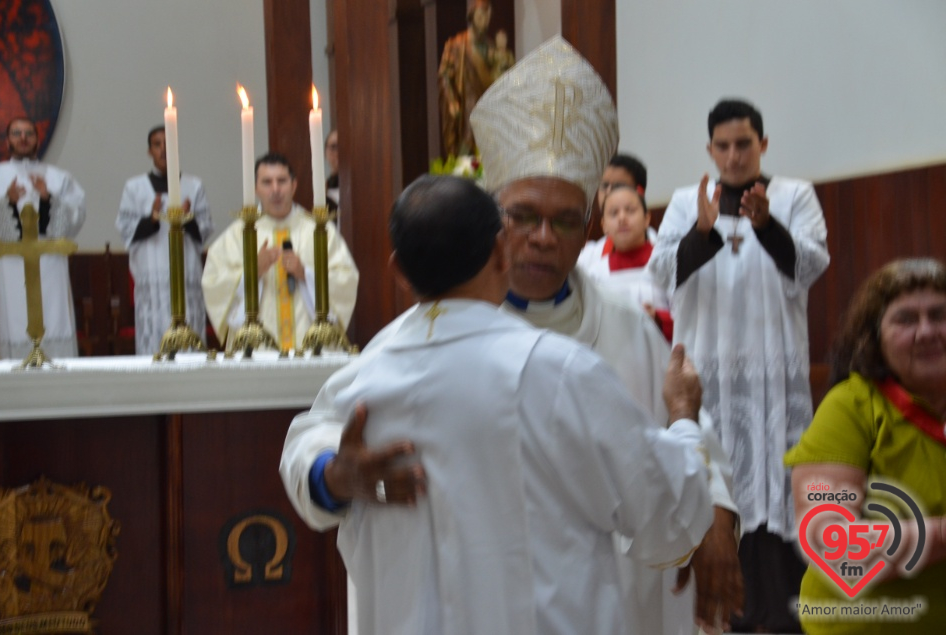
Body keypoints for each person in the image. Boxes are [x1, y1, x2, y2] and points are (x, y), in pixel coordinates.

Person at [283, 37, 742, 635]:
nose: (544, 237)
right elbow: (317, 436)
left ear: (588, 229)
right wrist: (331, 475)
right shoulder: (403, 345)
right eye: (524, 216)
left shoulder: (623, 323)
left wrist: (719, 522)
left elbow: (683, 444)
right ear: (495, 231)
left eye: (566, 220)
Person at [648, 98, 831, 633]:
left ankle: (782, 619)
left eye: (743, 144)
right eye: (722, 146)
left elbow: (810, 265)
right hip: (707, 383)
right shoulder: (687, 202)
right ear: (710, 150)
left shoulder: (794, 195)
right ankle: (717, 619)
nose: (733, 155)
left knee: (777, 499)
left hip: (774, 381)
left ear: (763, 145)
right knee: (712, 493)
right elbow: (663, 272)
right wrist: (702, 232)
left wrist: (767, 224)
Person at [785, 258, 946, 633]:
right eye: (906, 319)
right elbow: (834, 546)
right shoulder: (851, 406)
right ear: (872, 337)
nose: (928, 332)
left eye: (940, 315)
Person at [202, 152, 358, 351]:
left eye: (282, 181)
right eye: (267, 182)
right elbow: (214, 285)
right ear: (255, 188)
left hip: (311, 347)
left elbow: (345, 279)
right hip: (258, 350)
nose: (275, 189)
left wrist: (306, 274)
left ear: (294, 185)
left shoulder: (319, 231)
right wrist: (252, 272)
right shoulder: (237, 236)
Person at [0, 117, 85, 360]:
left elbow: (75, 217)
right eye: (16, 133)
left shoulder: (59, 178)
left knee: (51, 317)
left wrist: (48, 198)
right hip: (9, 265)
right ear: (7, 140)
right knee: (11, 321)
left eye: (29, 133)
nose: (23, 138)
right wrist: (6, 202)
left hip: (48, 264)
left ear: (37, 139)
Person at [116, 126, 214, 355]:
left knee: (190, 340)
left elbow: (205, 229)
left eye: (168, 144)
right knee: (155, 342)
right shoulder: (135, 187)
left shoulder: (193, 185)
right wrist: (151, 219)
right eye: (157, 144)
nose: (163, 150)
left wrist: (186, 219)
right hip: (152, 278)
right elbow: (125, 228)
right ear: (150, 151)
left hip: (186, 275)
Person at [577, 184, 673, 340]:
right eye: (614, 213)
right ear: (604, 226)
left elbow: (687, 321)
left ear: (647, 218)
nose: (622, 218)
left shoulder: (668, 263)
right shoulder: (595, 274)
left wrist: (657, 319)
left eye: (630, 210)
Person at [437, 0, 496, 158]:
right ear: (472, 17)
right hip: (467, 108)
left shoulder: (492, 48)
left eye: (488, 16)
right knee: (466, 151)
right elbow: (444, 75)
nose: (485, 21)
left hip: (489, 109)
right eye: (481, 16)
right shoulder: (456, 46)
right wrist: (451, 101)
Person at [325, 129, 339, 211]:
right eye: (333, 147)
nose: (338, 151)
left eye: (342, 146)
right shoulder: (322, 191)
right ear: (325, 152)